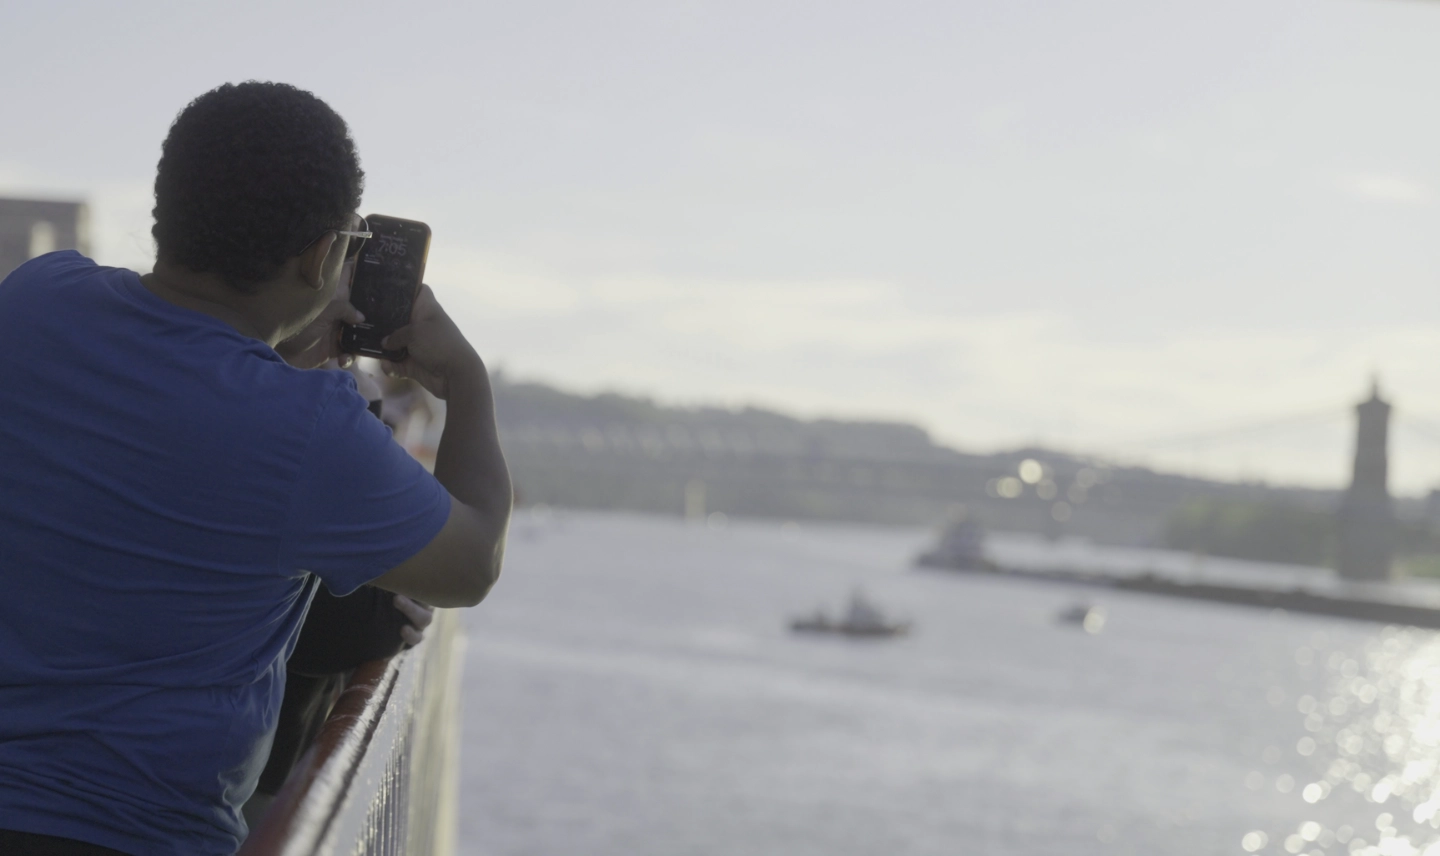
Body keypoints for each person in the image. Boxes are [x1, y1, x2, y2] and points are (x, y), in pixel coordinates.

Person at [0, 81, 511, 856]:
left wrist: (269, 357)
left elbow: (167, 387)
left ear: (165, 212)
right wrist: (467, 381)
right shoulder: (310, 427)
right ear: (321, 258)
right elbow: (471, 564)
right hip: (133, 835)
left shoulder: (35, 299)